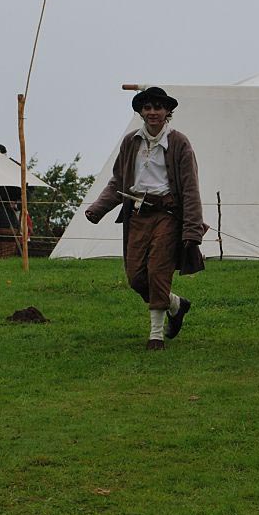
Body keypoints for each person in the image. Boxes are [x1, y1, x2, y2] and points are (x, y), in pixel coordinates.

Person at [84, 87, 204, 350]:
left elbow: (190, 187)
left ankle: (156, 336)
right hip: (137, 215)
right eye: (147, 107)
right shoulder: (130, 142)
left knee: (158, 271)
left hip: (168, 215)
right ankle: (176, 304)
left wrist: (192, 230)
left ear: (167, 112)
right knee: (136, 276)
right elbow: (118, 180)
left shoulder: (179, 143)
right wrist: (98, 208)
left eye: (158, 108)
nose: (152, 112)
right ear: (140, 111)